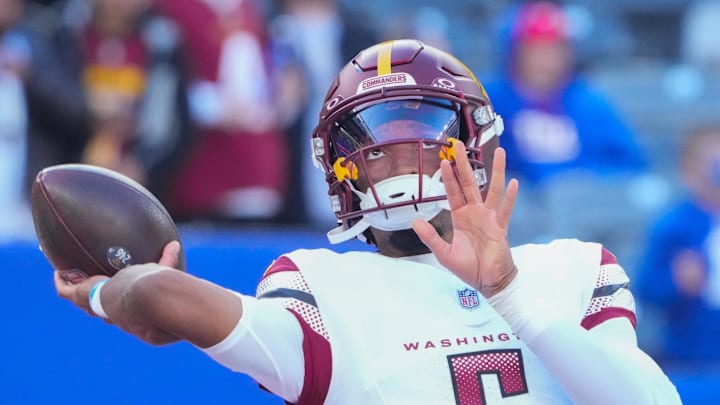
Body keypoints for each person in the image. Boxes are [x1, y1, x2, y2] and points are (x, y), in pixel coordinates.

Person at [53, 39, 680, 404]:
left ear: (477, 146)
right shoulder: (321, 287)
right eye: (374, 144)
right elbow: (159, 290)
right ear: (340, 171)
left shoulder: (571, 267)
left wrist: (509, 294)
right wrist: (118, 295)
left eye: (424, 134)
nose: (399, 159)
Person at [635, 124, 720, 369]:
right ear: (689, 173)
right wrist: (676, 281)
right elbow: (647, 287)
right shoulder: (675, 225)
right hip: (694, 354)